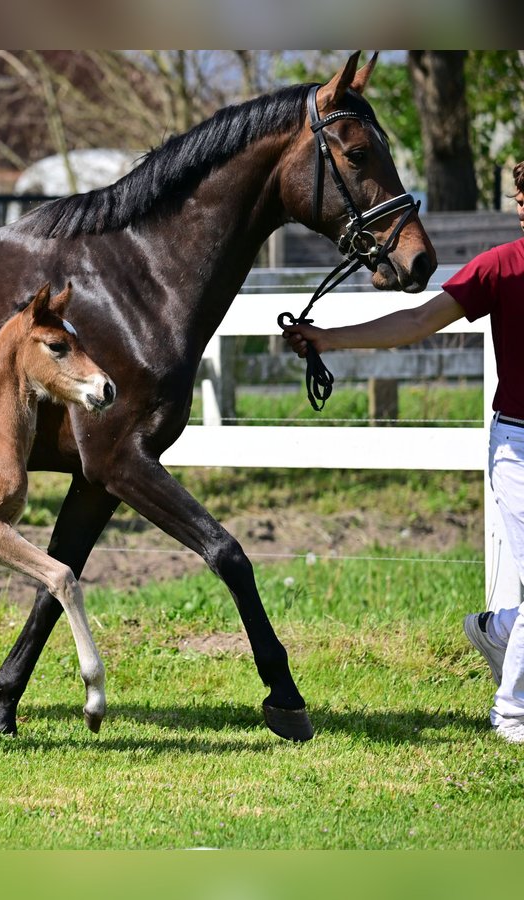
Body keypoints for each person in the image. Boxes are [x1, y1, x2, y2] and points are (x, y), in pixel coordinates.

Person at [283, 161, 524, 744]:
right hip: (517, 445)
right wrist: (330, 338)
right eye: (519, 195)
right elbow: (418, 320)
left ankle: (499, 631)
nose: (520, 206)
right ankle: (511, 713)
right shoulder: (501, 267)